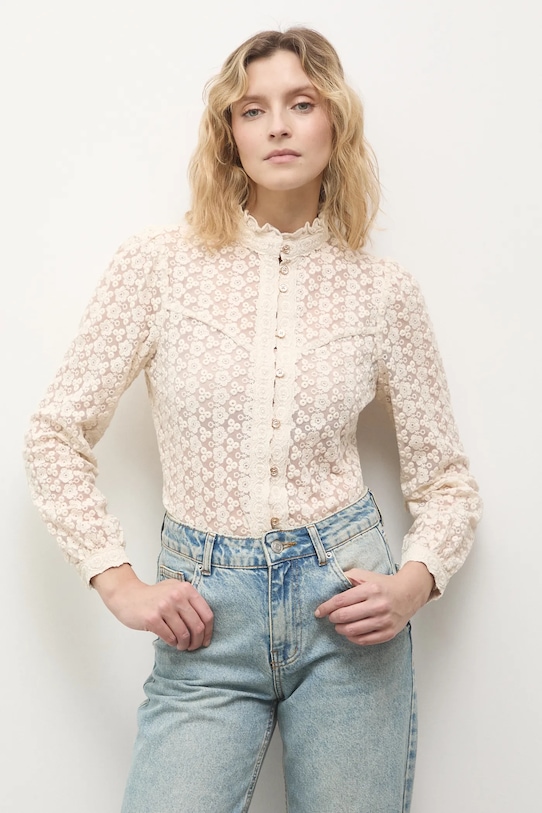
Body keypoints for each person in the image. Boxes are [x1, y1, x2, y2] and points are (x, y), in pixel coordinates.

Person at [24, 26, 482, 813]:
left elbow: (448, 481)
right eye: (252, 109)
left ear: (334, 121)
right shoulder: (159, 265)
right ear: (228, 133)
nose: (277, 126)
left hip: (346, 612)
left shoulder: (383, 291)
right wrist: (118, 580)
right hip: (204, 616)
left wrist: (413, 583)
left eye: (301, 104)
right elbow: (54, 433)